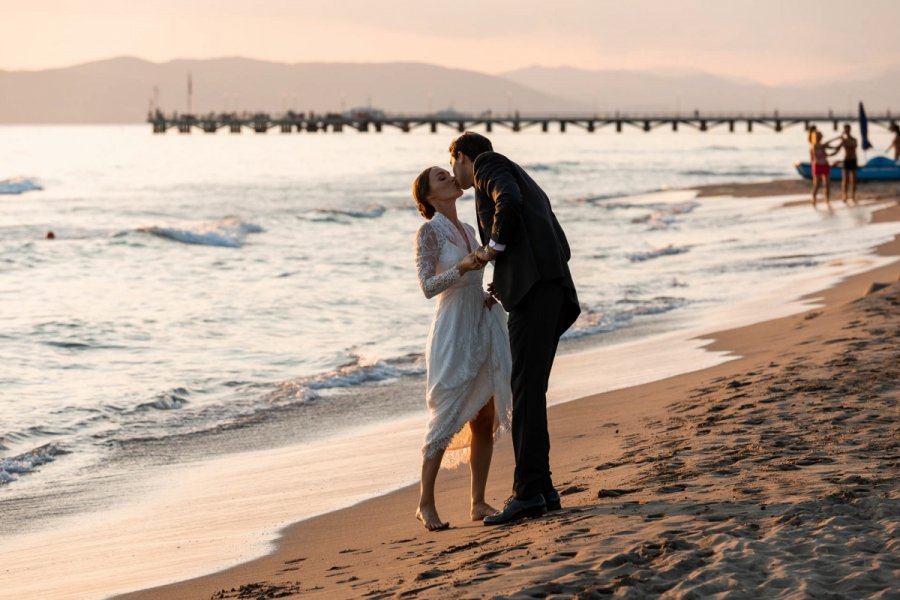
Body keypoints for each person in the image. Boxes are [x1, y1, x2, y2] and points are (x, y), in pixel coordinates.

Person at [449, 132, 580, 526]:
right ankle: (542, 489)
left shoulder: (490, 165)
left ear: (463, 157)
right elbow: (551, 235)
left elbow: (508, 201)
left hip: (537, 293)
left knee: (524, 392)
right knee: (529, 391)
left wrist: (495, 250)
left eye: (453, 163)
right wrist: (503, 281)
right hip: (548, 289)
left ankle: (527, 494)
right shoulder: (515, 171)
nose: (455, 174)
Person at [411, 165, 513, 531]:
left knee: (483, 417)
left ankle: (478, 501)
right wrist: (464, 268)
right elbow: (427, 286)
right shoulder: (428, 231)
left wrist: (488, 293)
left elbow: (478, 274)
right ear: (428, 196)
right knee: (446, 413)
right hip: (452, 328)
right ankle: (425, 503)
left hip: (479, 322)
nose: (452, 178)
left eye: (449, 174)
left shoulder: (469, 229)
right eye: (441, 178)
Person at [827, 124, 858, 204]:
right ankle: (845, 195)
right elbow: (837, 149)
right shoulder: (843, 141)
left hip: (853, 160)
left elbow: (853, 146)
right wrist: (829, 154)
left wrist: (843, 141)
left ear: (850, 130)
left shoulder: (854, 139)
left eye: (847, 130)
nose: (846, 131)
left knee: (853, 179)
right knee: (845, 179)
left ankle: (853, 195)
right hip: (846, 160)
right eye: (845, 130)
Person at [810, 130, 831, 208]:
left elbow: (826, 154)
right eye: (818, 136)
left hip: (825, 164)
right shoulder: (814, 145)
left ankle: (827, 199)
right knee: (817, 184)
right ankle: (814, 199)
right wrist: (826, 145)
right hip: (817, 165)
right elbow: (820, 147)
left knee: (827, 184)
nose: (820, 138)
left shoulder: (822, 146)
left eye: (820, 136)